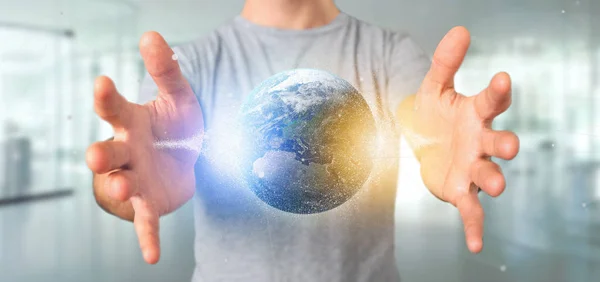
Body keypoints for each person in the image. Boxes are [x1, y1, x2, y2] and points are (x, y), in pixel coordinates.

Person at [86, 0, 520, 281]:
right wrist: (123, 181)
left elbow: (419, 114)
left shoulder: (390, 52)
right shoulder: (188, 66)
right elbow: (125, 177)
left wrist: (436, 142)